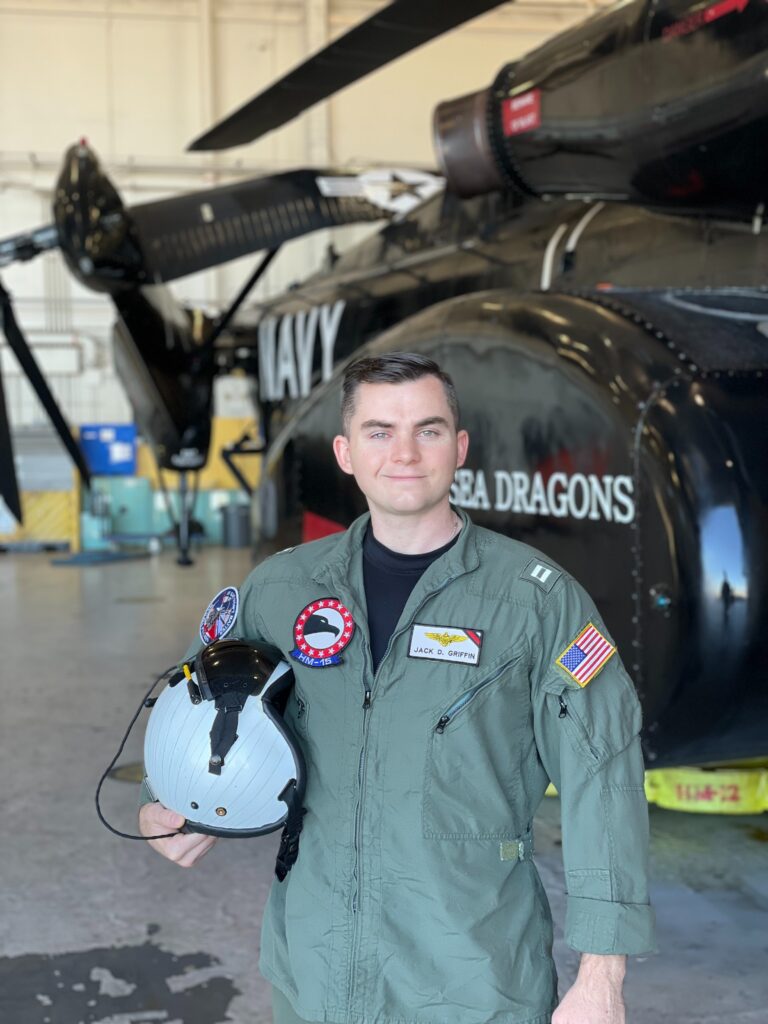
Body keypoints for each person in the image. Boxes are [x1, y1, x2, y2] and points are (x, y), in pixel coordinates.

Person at [140, 352, 655, 1024]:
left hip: (473, 979)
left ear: (459, 448)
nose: (405, 453)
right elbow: (198, 694)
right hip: (314, 971)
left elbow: (602, 774)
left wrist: (602, 976)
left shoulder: (535, 602)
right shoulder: (282, 587)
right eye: (380, 431)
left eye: (428, 430)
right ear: (345, 453)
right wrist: (165, 799)